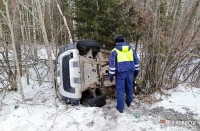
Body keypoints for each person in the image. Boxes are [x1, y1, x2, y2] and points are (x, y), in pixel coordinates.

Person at [109, 35, 140, 113]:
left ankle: (120, 109)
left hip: (120, 74)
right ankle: (129, 102)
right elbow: (136, 62)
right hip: (130, 73)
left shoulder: (114, 51)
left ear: (117, 42)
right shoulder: (131, 49)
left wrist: (111, 76)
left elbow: (112, 66)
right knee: (130, 88)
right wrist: (136, 72)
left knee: (120, 91)